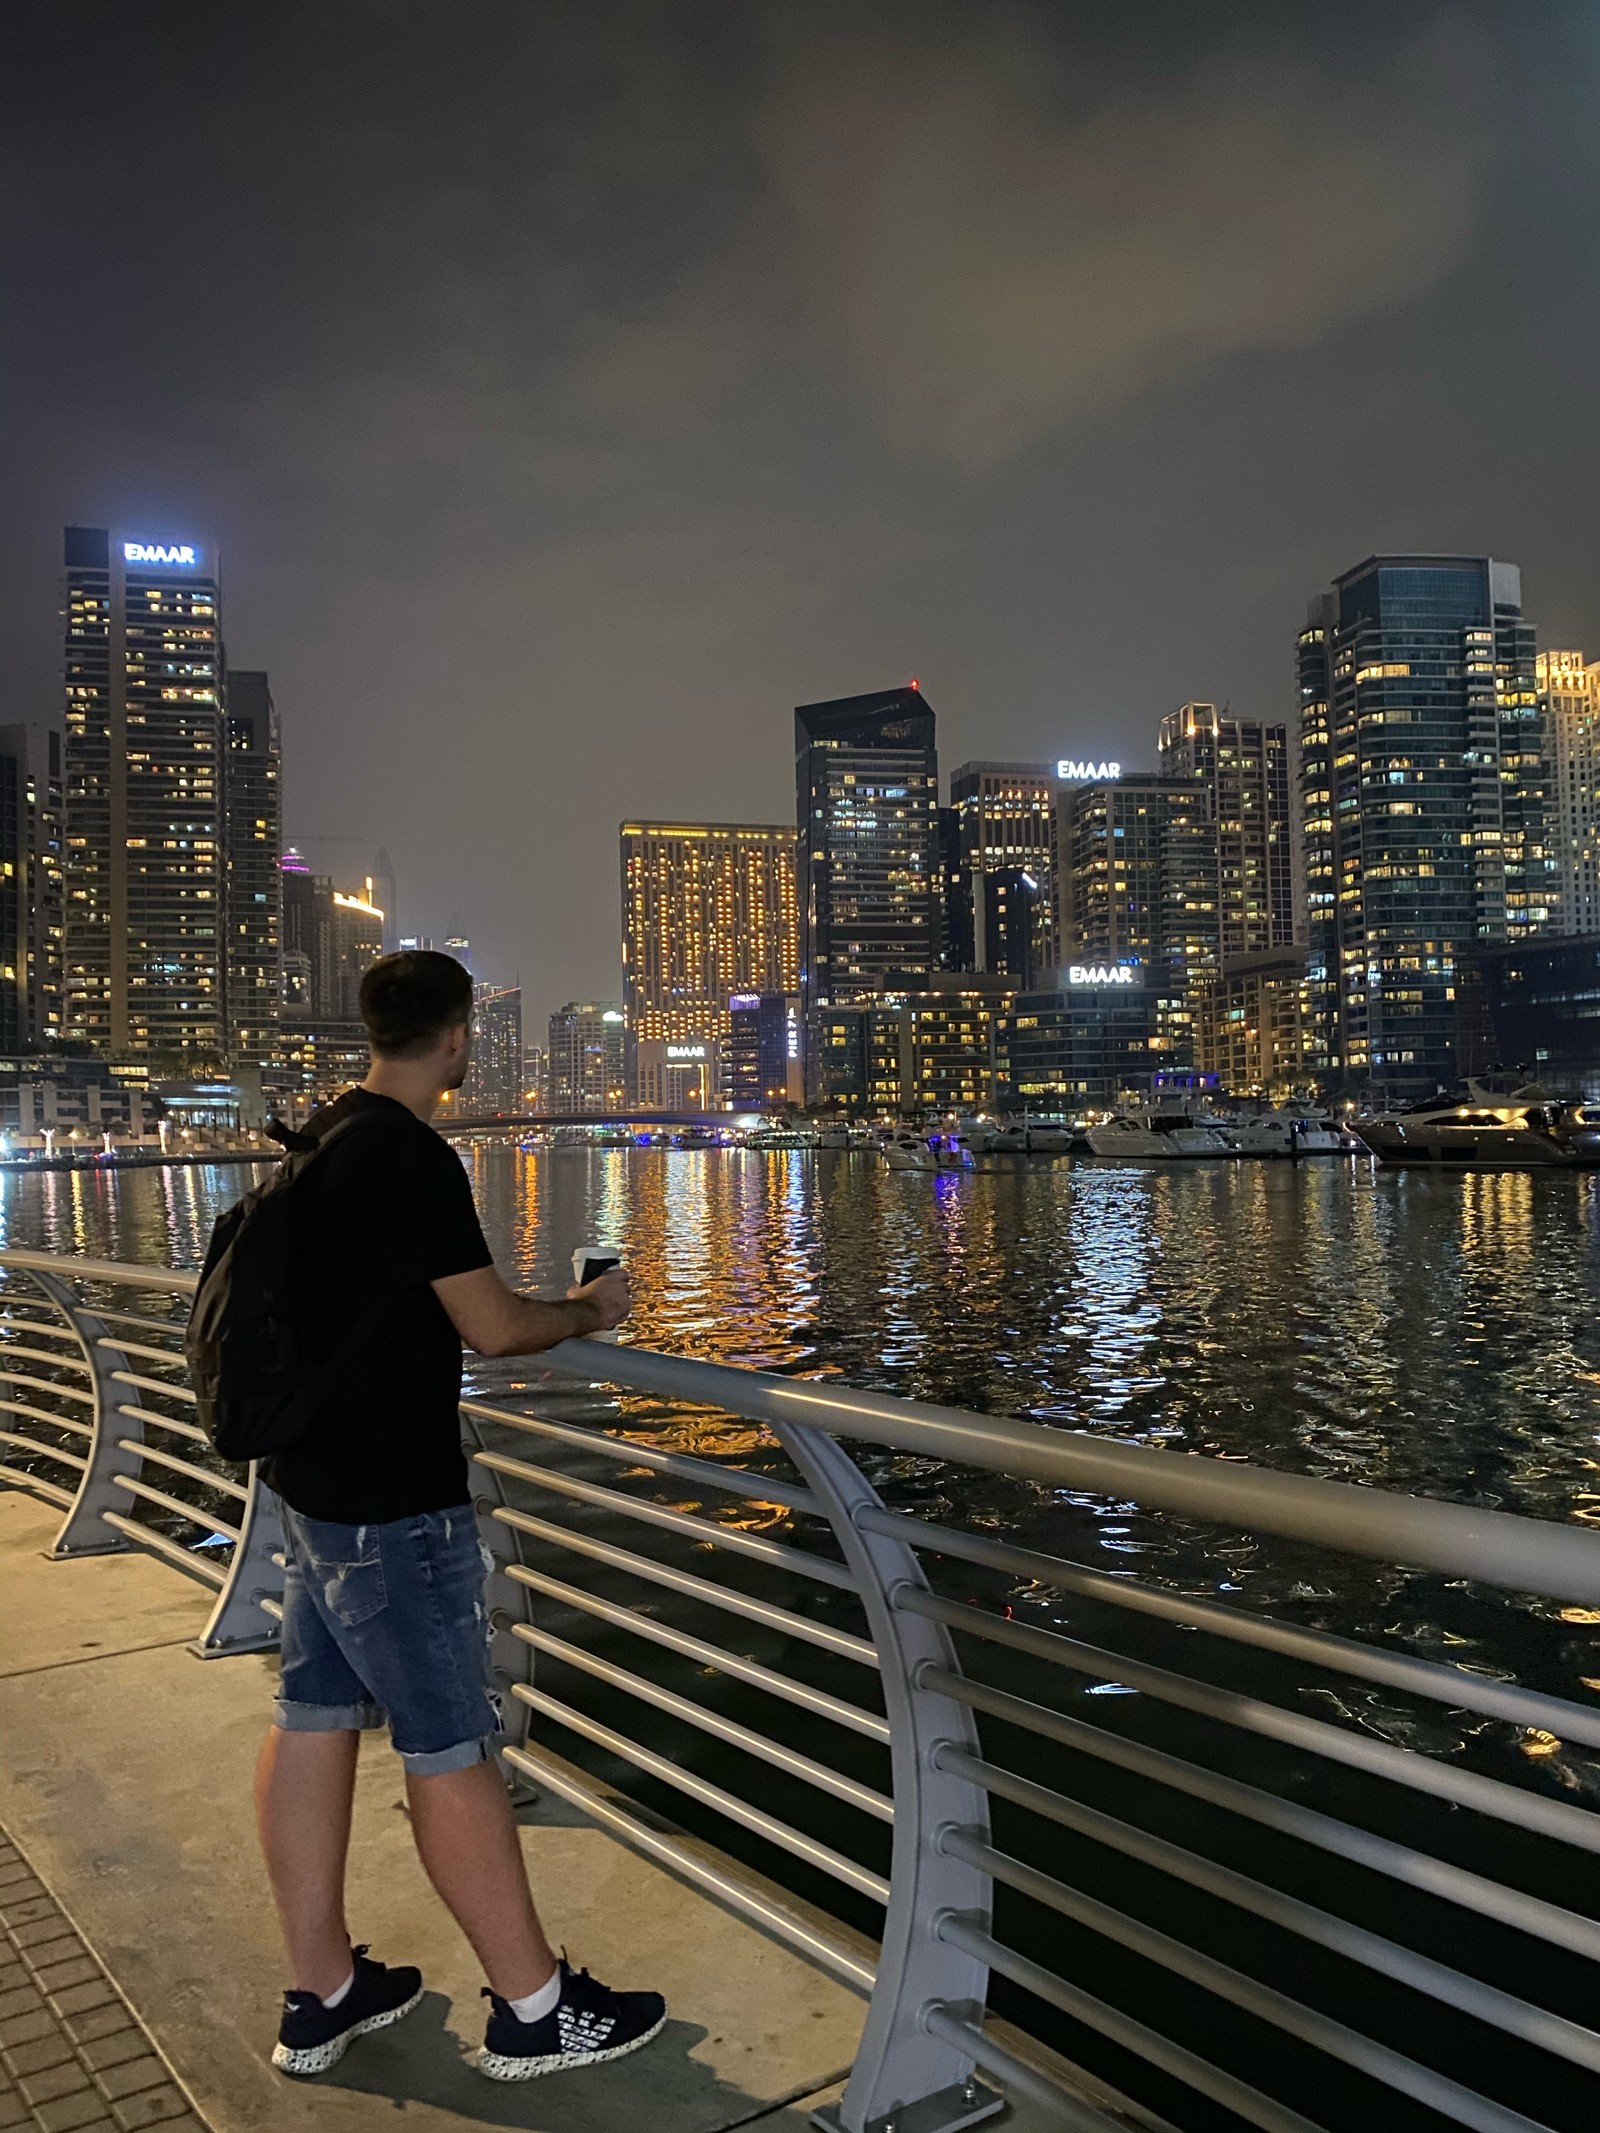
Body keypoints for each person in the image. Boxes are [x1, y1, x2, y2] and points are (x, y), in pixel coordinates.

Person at [254, 949, 665, 2082]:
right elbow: (493, 1327)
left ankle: (321, 1989)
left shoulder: (324, 1138)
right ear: (458, 1036)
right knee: (448, 1746)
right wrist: (587, 1307)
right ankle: (534, 2009)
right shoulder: (409, 1158)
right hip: (392, 1504)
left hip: (309, 1491)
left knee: (310, 1720)